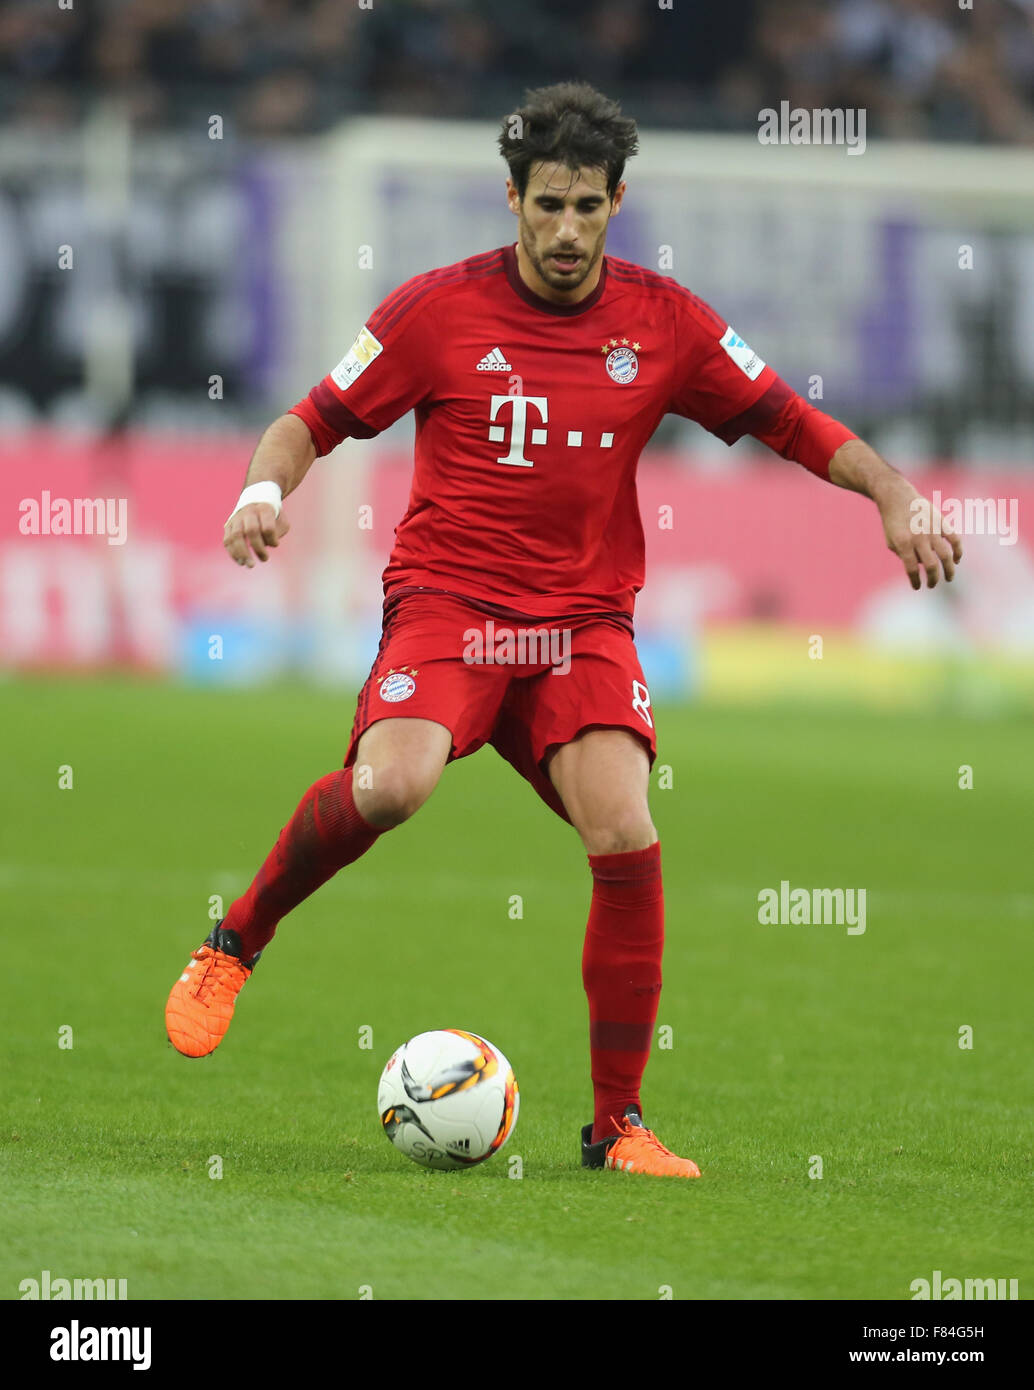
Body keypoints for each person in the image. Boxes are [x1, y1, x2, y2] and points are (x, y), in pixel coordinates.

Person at [165, 81, 961, 1179]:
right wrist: (262, 492)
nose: (567, 230)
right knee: (392, 786)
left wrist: (890, 493)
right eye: (548, 205)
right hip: (448, 607)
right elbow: (308, 421)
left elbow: (783, 415)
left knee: (626, 830)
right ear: (511, 198)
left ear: (616, 203)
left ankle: (615, 1126)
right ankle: (235, 940)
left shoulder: (663, 320)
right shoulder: (433, 312)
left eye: (588, 206)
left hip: (579, 627)